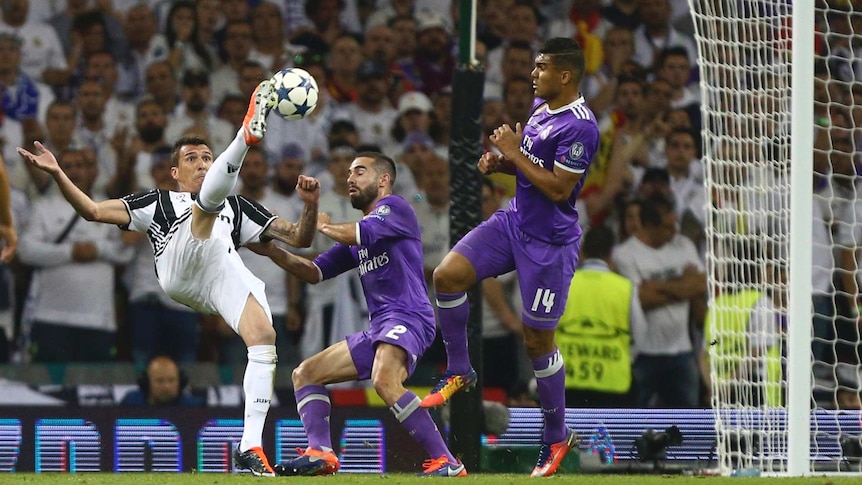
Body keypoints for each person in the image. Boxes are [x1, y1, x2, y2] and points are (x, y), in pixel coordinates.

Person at [17, 78, 319, 477]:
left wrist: (311, 205)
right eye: (192, 158)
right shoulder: (157, 201)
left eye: (208, 157)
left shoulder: (240, 206)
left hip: (216, 277)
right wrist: (58, 173)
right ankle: (245, 137)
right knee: (205, 211)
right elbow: (92, 210)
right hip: (177, 267)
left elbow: (298, 237)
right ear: (175, 172)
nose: (202, 163)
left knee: (264, 338)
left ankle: (250, 447)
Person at [420, 37, 600, 478]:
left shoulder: (582, 126)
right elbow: (532, 169)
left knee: (537, 341)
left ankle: (556, 437)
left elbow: (559, 188)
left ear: (565, 75)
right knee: (447, 275)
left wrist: (514, 152)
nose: (533, 73)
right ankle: (460, 368)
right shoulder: (541, 110)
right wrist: (501, 164)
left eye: (541, 67)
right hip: (514, 222)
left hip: (550, 244)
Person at [249, 152, 467, 477]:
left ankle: (447, 461)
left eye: (359, 172)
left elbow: (355, 234)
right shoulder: (361, 233)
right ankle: (321, 453)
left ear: (383, 180)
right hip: (380, 327)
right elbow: (313, 271)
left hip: (409, 318)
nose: (350, 178)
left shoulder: (396, 208)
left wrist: (321, 224)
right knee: (305, 374)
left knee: (384, 379)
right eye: (349, 173)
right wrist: (271, 251)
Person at [556, 225, 646, 408]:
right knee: (610, 436)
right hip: (612, 383)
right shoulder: (624, 287)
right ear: (611, 253)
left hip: (565, 381)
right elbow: (640, 332)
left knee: (570, 435)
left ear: (582, 250)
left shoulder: (562, 284)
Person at [120, 355, 204, 406]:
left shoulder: (192, 407)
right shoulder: (132, 403)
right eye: (159, 381)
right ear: (147, 382)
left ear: (180, 382)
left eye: (171, 380)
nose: (166, 386)